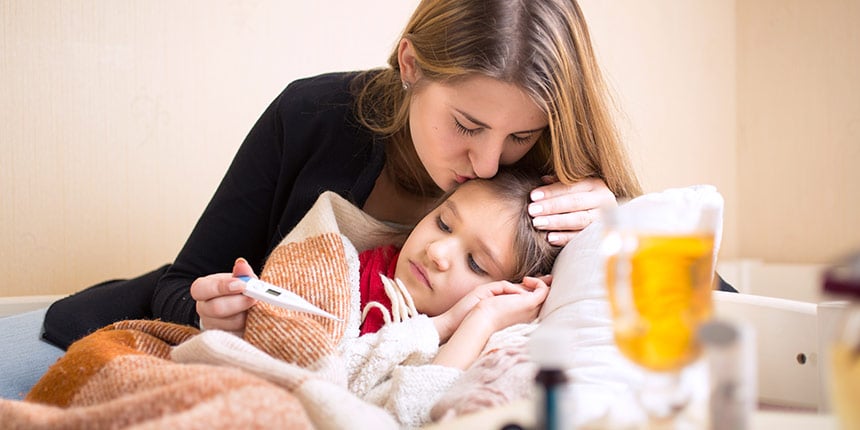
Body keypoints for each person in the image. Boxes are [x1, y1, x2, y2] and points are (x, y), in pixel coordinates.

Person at [0, 0, 642, 399]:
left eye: (519, 137)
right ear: (411, 66)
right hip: (148, 334)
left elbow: (716, 307)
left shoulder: (553, 182)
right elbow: (181, 282)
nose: (486, 162)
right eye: (467, 126)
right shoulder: (315, 114)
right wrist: (213, 310)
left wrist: (619, 231)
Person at [206, 168, 561, 426]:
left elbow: (406, 416)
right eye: (443, 223)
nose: (438, 251)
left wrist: (477, 321)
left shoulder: (476, 350)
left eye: (474, 262)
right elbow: (314, 368)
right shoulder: (340, 266)